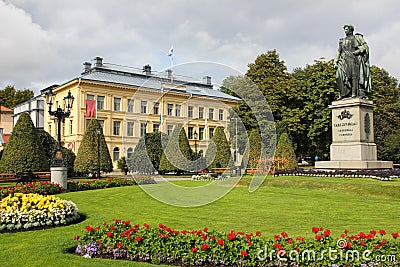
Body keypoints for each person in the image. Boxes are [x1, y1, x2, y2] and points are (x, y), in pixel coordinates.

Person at [333, 25, 371, 99]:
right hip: (343, 60)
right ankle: (343, 94)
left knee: (354, 76)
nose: (345, 31)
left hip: (353, 58)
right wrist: (335, 61)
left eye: (347, 29)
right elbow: (339, 51)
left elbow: (365, 47)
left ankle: (354, 93)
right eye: (345, 29)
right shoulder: (342, 41)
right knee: (339, 76)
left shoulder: (356, 38)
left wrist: (358, 51)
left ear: (351, 30)